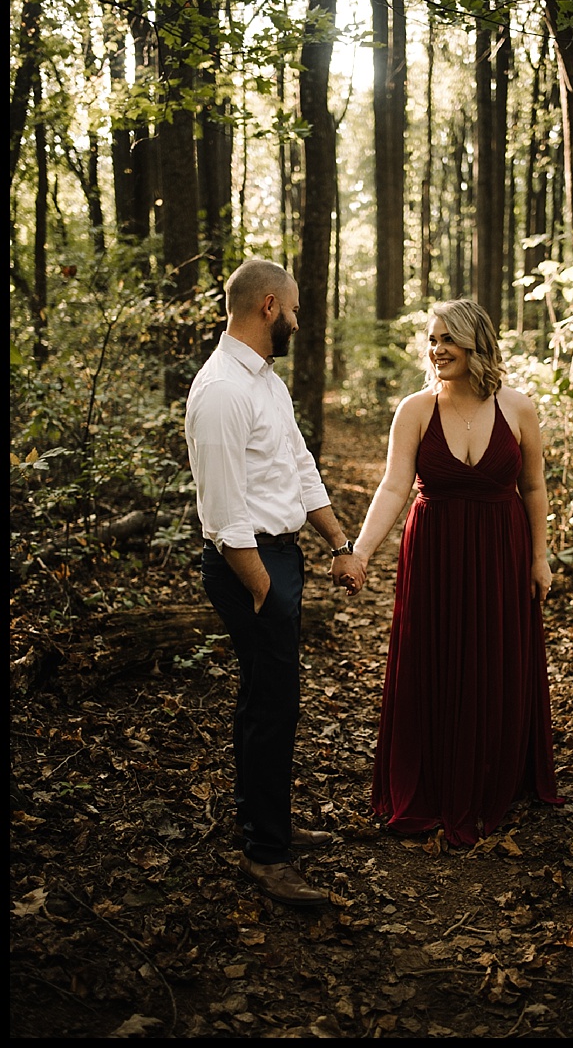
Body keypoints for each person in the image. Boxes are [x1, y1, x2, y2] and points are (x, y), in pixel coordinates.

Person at [185, 258, 366, 907]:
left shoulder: (265, 383)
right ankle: (267, 855)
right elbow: (222, 508)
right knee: (273, 706)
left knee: (267, 701)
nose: (296, 319)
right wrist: (259, 581)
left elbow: (298, 465)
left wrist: (340, 544)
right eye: (292, 308)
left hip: (278, 560)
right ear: (267, 306)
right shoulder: (220, 391)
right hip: (248, 566)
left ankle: (266, 823)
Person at [350, 299, 561, 846]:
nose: (436, 349)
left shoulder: (519, 408)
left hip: (501, 551)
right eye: (432, 339)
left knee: (495, 657)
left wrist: (540, 558)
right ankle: (435, 780)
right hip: (435, 551)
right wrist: (361, 551)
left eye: (448, 339)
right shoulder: (416, 410)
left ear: (475, 343)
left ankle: (495, 776)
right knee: (435, 656)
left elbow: (533, 487)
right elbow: (395, 486)